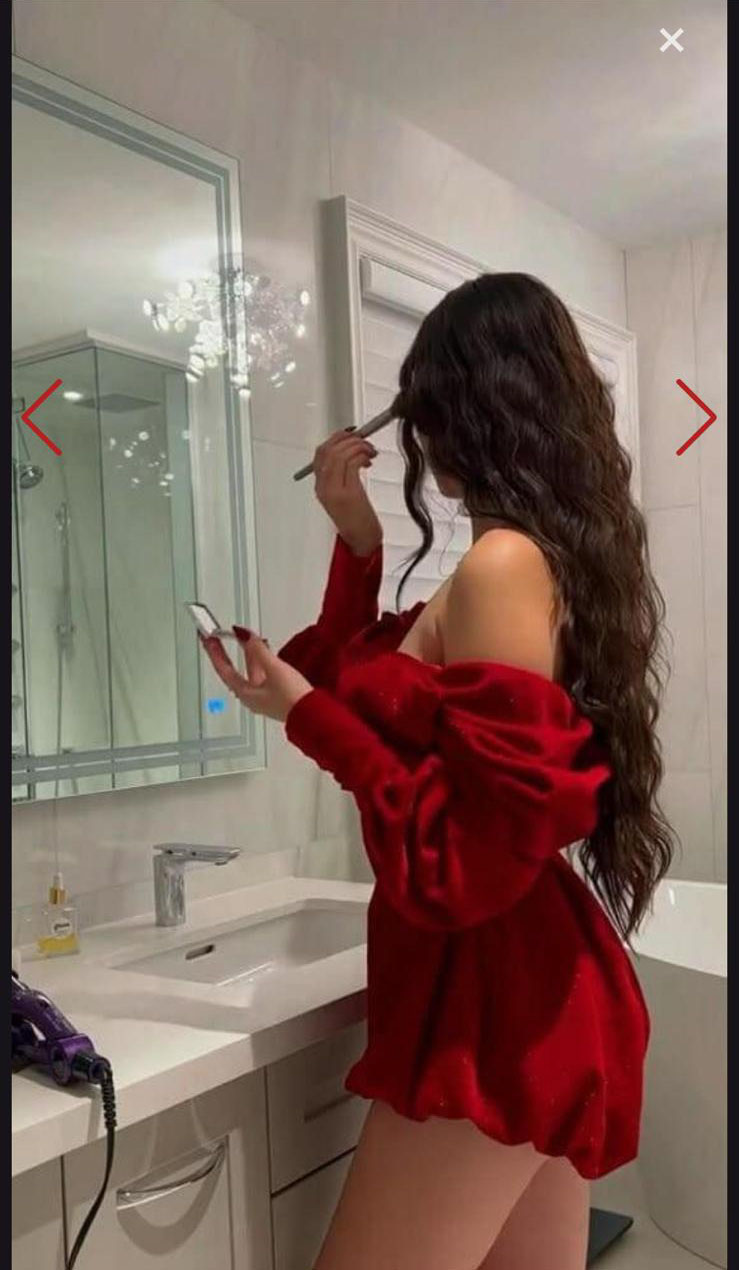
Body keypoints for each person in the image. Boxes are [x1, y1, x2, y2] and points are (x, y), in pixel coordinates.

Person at [202, 272, 673, 1270]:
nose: (416, 434)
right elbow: (362, 694)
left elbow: (469, 855)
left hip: (494, 1000)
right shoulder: (519, 559)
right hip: (516, 987)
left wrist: (305, 714)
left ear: (473, 408)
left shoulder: (501, 566)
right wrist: (358, 548)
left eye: (425, 404)